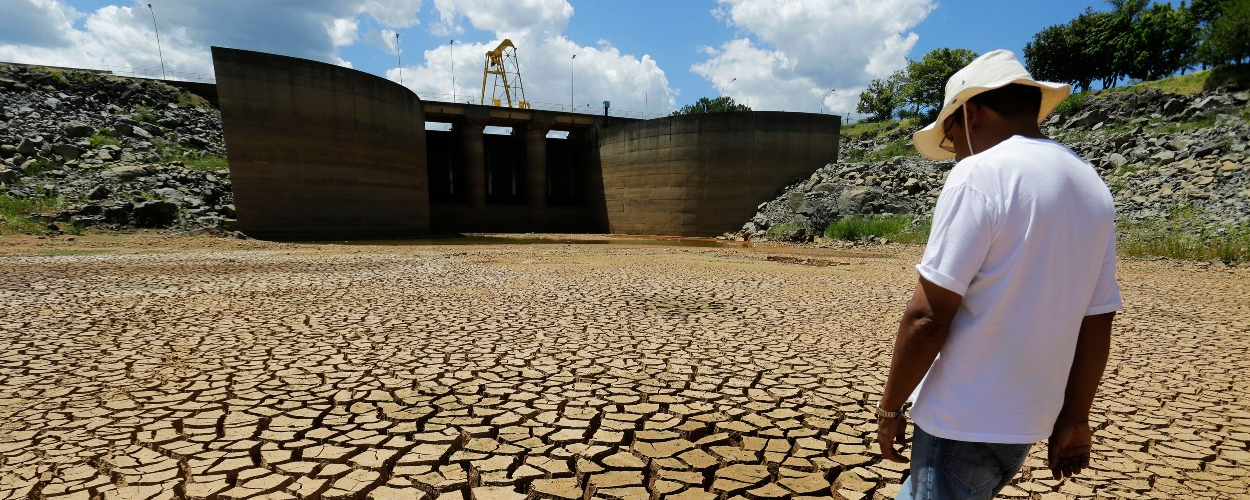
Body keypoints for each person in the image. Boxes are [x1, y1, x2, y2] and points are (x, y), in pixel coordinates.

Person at [873, 49, 1122, 500]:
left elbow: (928, 317)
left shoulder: (981, 174)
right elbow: (1097, 317)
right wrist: (1075, 417)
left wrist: (890, 408)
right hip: (1025, 424)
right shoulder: (1090, 182)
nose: (954, 153)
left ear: (971, 113)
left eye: (951, 138)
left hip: (961, 420)